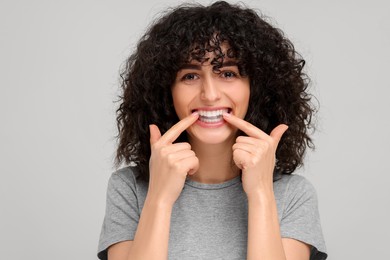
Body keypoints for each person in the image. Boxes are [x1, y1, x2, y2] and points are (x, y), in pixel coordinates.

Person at [98, 1, 327, 259]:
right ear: (166, 91)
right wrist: (159, 199)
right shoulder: (129, 189)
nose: (210, 95)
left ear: (257, 88)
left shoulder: (293, 195)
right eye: (190, 76)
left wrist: (261, 194)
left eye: (227, 73)